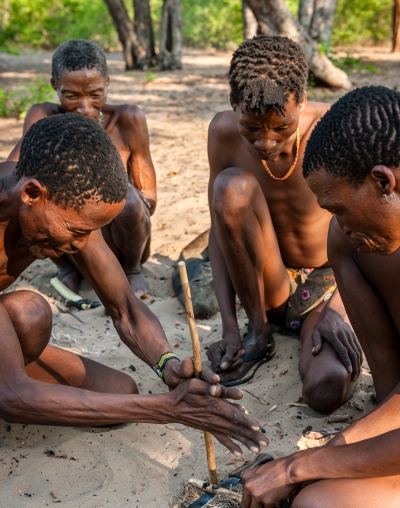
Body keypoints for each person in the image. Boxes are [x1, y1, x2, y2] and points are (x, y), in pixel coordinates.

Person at [0, 112, 268, 458]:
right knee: (28, 312)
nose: (81, 246)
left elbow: (125, 307)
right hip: (9, 391)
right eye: (76, 232)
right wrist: (167, 408)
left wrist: (167, 364)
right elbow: (11, 397)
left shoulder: (65, 204)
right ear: (32, 193)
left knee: (116, 388)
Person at [241, 85, 400, 508]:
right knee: (319, 505)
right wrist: (335, 452)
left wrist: (298, 467)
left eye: (340, 208)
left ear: (383, 181)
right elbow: (390, 394)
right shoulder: (351, 241)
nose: (341, 225)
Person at [206, 35, 363, 413]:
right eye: (253, 129)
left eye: (281, 128)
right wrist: (232, 326)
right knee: (230, 189)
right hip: (267, 287)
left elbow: (371, 231)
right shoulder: (223, 132)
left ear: (302, 102)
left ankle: (320, 330)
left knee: (325, 390)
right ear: (234, 104)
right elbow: (219, 232)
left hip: (332, 283)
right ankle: (260, 333)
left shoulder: (336, 128)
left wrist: (339, 310)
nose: (266, 143)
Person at [9, 39, 155, 296]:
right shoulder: (43, 117)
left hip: (117, 238)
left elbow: (149, 199)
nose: (85, 107)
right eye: (72, 95)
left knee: (130, 200)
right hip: (63, 235)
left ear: (107, 82)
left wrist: (98, 207)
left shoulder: (128, 120)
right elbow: (14, 174)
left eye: (95, 94)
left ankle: (132, 270)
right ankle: (68, 270)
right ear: (55, 86)